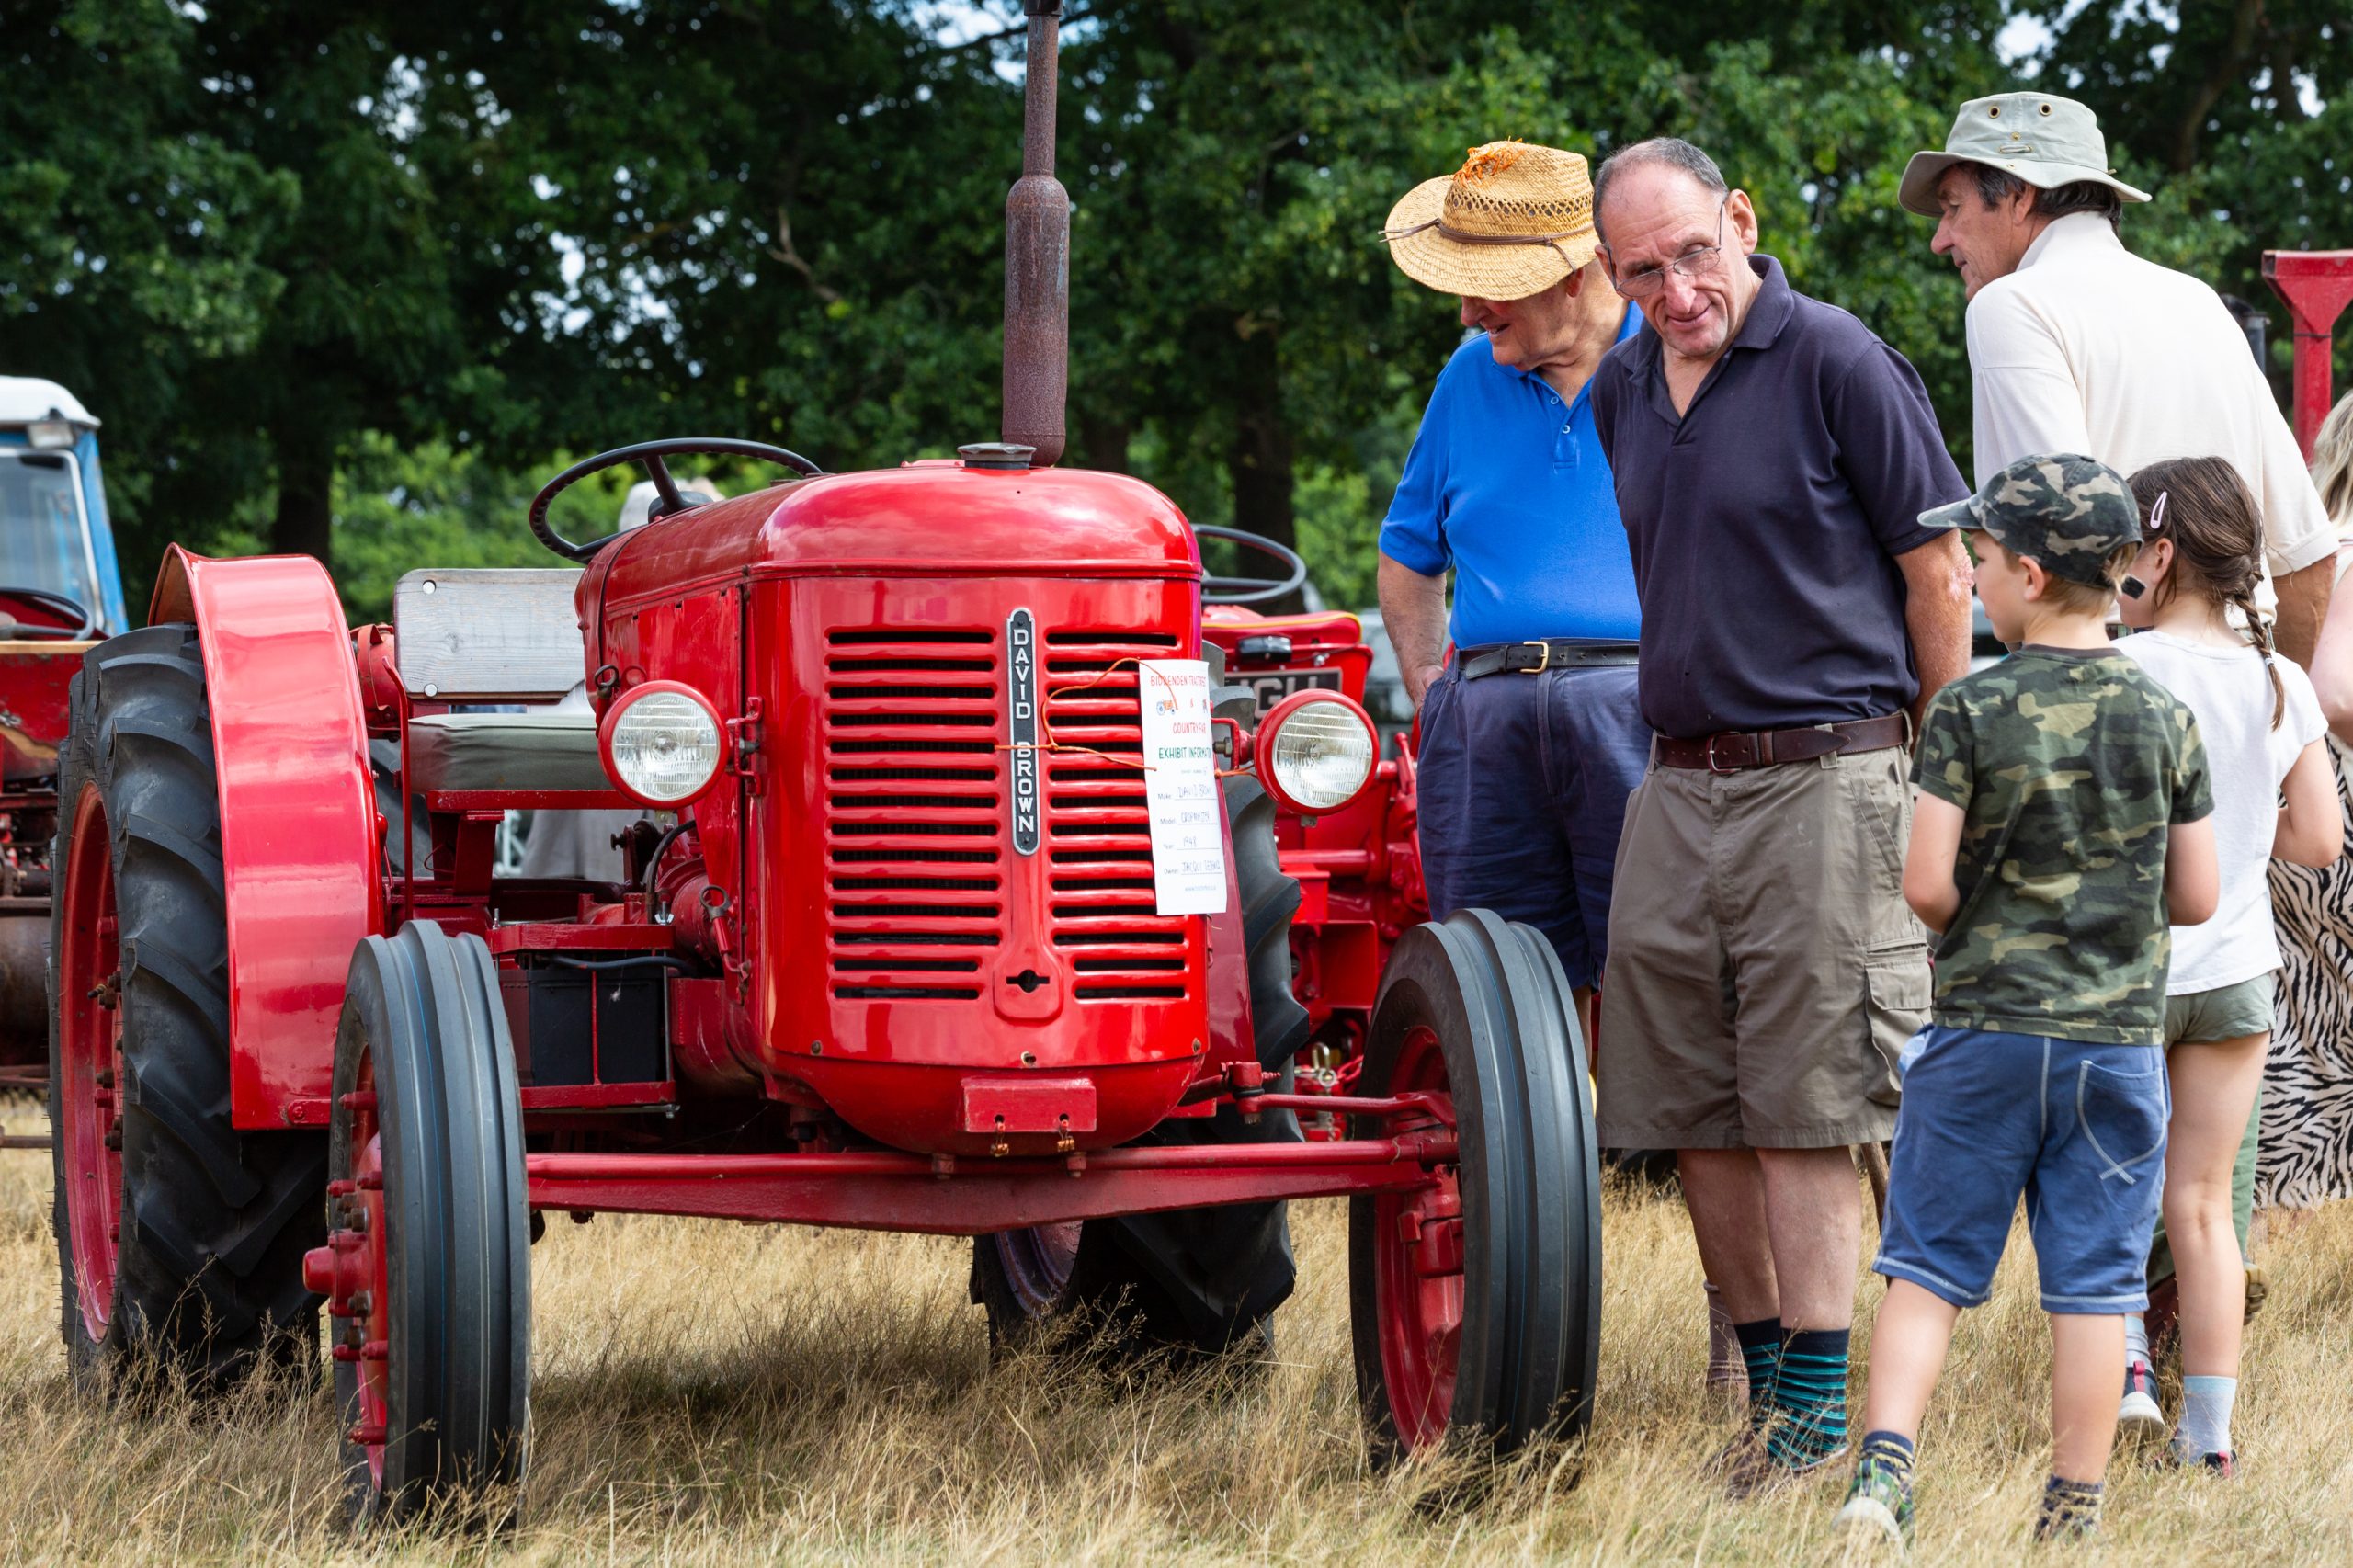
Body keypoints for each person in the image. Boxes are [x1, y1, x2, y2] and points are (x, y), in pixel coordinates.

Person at [1586, 137, 1972, 1491]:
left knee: (1807, 1105)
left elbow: (1939, 574)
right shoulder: (1623, 384)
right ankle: (1771, 1383)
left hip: (1833, 770)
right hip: (1678, 778)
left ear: (1739, 218)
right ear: (1612, 274)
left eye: (1695, 250)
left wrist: (1950, 776)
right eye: (1643, 269)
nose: (1678, 288)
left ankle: (1811, 1416)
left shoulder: (1839, 360)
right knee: (1685, 1098)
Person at [1834, 453, 2219, 1548]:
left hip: (1978, 1036)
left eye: (1984, 558)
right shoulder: (2162, 715)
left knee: (1925, 1267)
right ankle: (2072, 1507)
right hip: (2111, 1048)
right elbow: (2194, 893)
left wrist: (1982, 913)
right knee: (2095, 1285)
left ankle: (1883, 1473)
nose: (1972, 575)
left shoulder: (1968, 706)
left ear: (2035, 575)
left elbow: (1923, 883)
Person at [1898, 91, 2337, 667]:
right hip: (2248, 683)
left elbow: (2060, 554)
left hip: (2112, 697)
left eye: (1952, 208)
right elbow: (2308, 557)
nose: (1940, 239)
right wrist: (2285, 719)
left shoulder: (2010, 305)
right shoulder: (2199, 301)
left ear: (2020, 194)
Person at [1376, 140, 1647, 1050]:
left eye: (1486, 282)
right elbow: (1407, 555)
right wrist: (1433, 694)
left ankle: (1648, 1158)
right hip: (1485, 712)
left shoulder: (1677, 361)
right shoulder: (1467, 373)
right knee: (1498, 971)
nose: (1465, 307)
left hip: (1641, 703)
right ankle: (1540, 1163)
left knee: (1658, 954)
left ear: (1572, 277)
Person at [2104, 457, 2339, 1472]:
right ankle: (2213, 1439)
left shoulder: (2119, 670)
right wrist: (2243, 844)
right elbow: (2322, 839)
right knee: (2204, 1204)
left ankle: (2125, 1375)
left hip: (2128, 971)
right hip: (2239, 973)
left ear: (2157, 555)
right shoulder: (2278, 679)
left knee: (2110, 1185)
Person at [2268, 390, 2353, 1209]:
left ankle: (2298, 1207)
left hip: (2300, 799)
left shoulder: (2317, 544)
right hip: (2342, 812)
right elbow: (2334, 692)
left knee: (2306, 1018)